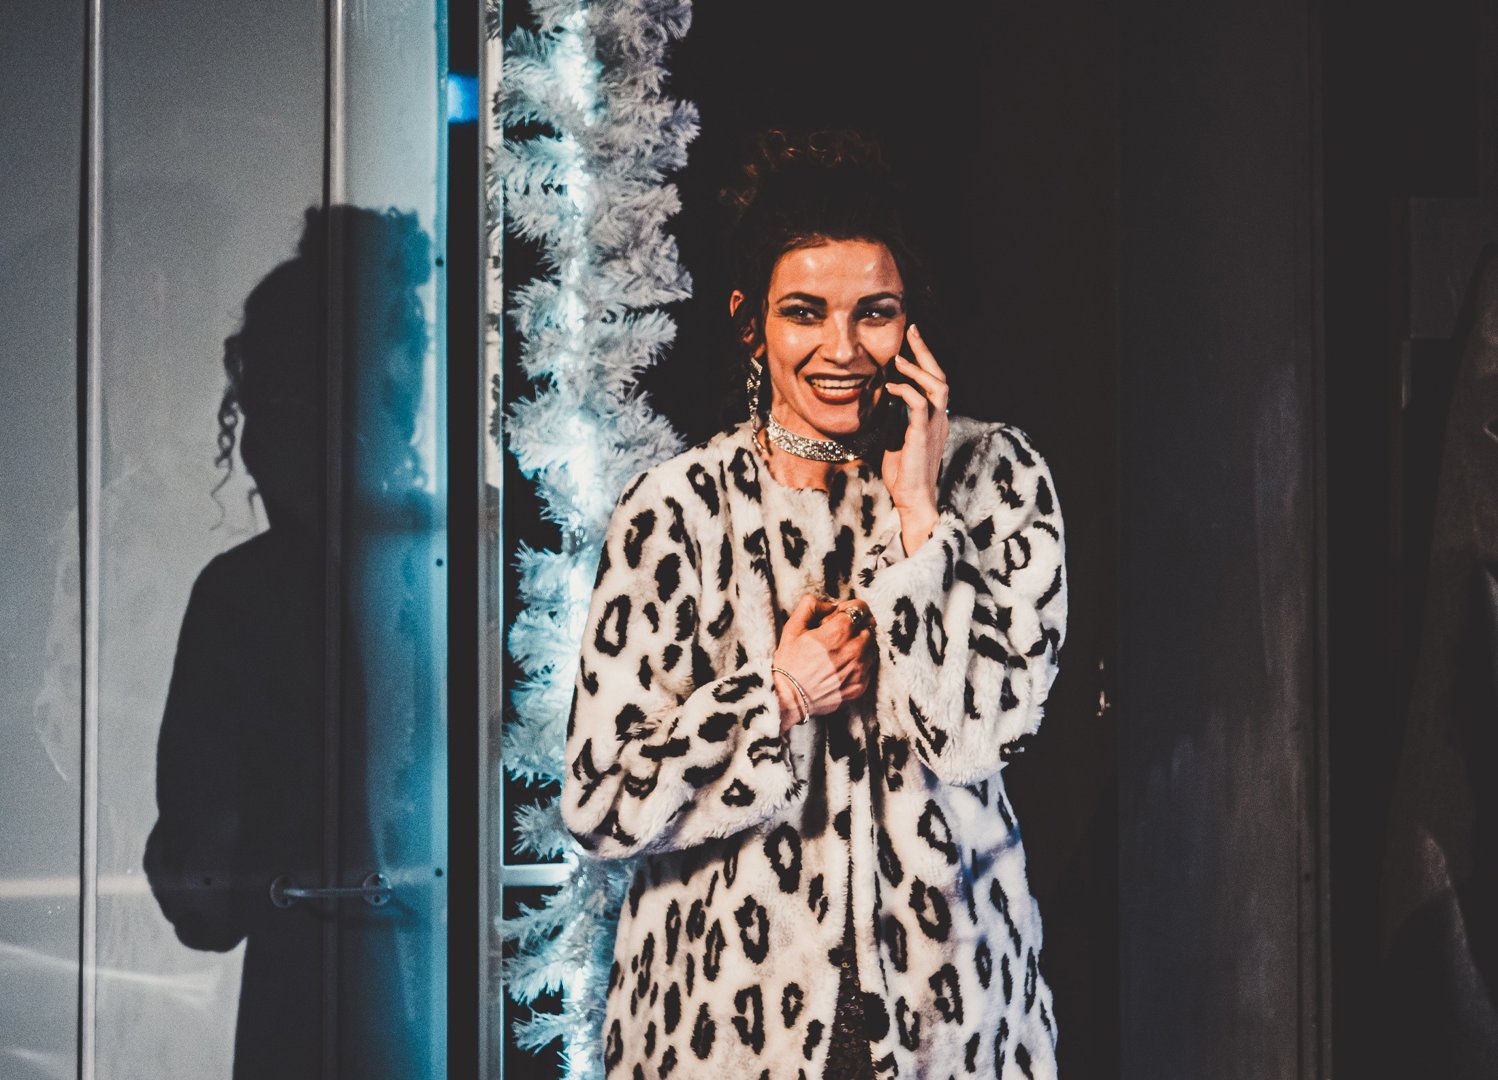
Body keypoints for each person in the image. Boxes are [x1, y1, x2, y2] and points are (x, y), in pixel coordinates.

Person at [561, 131, 1067, 1079]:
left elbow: (986, 734)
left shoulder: (994, 477)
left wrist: (920, 521)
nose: (842, 349)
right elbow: (602, 805)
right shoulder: (677, 511)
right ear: (750, 323)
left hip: (949, 1026)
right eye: (805, 312)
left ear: (911, 323)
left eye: (875, 313)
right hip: (720, 1029)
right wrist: (776, 698)